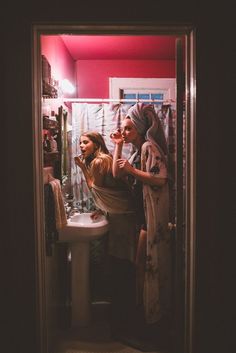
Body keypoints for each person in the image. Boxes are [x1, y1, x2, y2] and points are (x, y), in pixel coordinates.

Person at [110, 103, 172, 345]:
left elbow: (161, 178)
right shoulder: (137, 151)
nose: (123, 132)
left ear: (138, 128)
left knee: (145, 268)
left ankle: (151, 324)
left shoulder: (148, 147)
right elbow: (117, 173)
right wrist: (117, 147)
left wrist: (134, 172)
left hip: (150, 219)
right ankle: (146, 320)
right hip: (142, 218)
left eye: (127, 129)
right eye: (122, 129)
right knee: (141, 269)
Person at [74, 131, 138, 338]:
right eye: (80, 143)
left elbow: (96, 188)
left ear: (96, 144)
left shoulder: (97, 162)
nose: (82, 146)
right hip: (121, 213)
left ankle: (122, 321)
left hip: (121, 216)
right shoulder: (105, 159)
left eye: (85, 142)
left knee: (121, 263)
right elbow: (111, 187)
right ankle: (123, 317)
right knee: (123, 261)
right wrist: (102, 210)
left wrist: (82, 167)